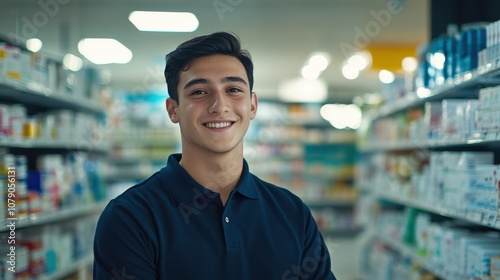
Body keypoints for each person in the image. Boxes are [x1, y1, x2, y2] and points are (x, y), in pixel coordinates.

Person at [93, 31, 337, 280]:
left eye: (233, 89)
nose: (219, 105)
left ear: (252, 105)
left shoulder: (293, 213)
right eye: (199, 92)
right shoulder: (130, 219)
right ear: (173, 109)